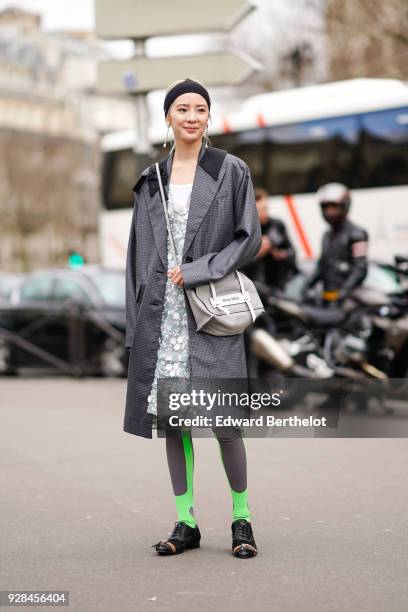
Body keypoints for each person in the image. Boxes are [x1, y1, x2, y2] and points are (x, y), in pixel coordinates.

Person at [124, 78, 262, 559]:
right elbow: (137, 259)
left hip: (210, 312)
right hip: (162, 321)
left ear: (208, 117)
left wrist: (200, 270)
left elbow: (248, 238)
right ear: (168, 117)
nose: (190, 115)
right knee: (175, 422)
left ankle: (241, 520)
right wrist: (133, 328)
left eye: (199, 108)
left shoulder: (230, 170)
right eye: (181, 108)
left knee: (225, 422)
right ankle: (186, 522)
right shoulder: (151, 179)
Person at [302, 183, 369, 306]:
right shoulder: (327, 236)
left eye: (334, 207)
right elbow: (322, 266)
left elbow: (360, 269)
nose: (330, 212)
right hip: (327, 299)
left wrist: (344, 292)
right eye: (326, 207)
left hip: (348, 301)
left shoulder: (357, 234)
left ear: (345, 206)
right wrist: (307, 285)